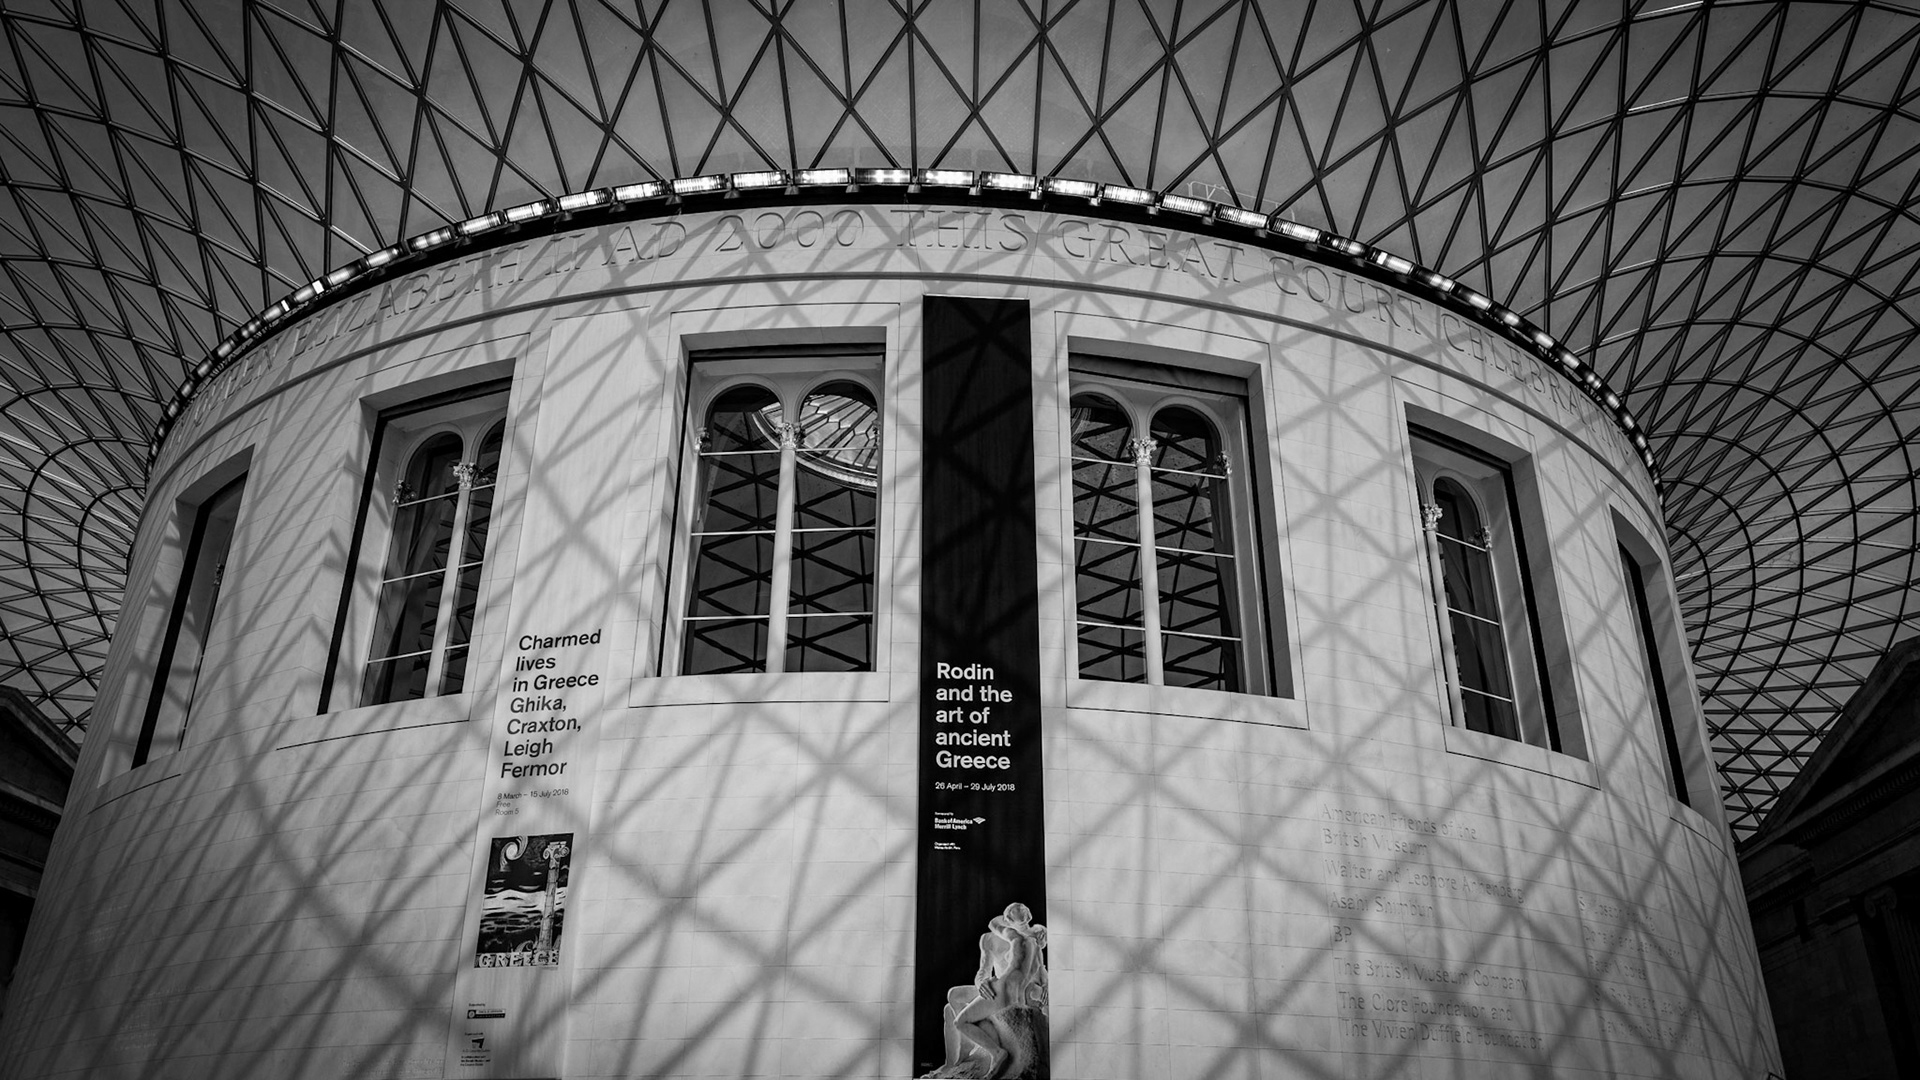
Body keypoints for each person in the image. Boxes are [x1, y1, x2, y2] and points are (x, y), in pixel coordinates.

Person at [931, 903, 1048, 1078]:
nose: (1024, 922)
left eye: (1025, 918)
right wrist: (981, 984)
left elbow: (1039, 970)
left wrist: (1045, 987)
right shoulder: (989, 939)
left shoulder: (1029, 939)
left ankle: (976, 1045)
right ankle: (957, 1058)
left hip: (1012, 992)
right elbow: (983, 971)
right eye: (1020, 916)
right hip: (996, 988)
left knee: (955, 1015)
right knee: (953, 997)